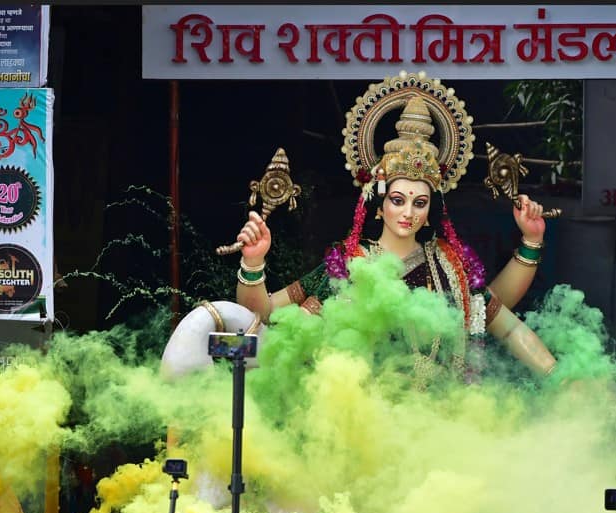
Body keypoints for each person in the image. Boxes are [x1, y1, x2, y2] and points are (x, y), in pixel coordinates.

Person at [233, 73, 557, 378]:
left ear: (431, 211)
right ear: (379, 206)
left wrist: (560, 378)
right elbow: (261, 312)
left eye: (420, 203)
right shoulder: (349, 266)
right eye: (398, 200)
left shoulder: (450, 270)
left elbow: (505, 323)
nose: (408, 213)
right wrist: (253, 262)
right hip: (356, 417)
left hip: (442, 417)